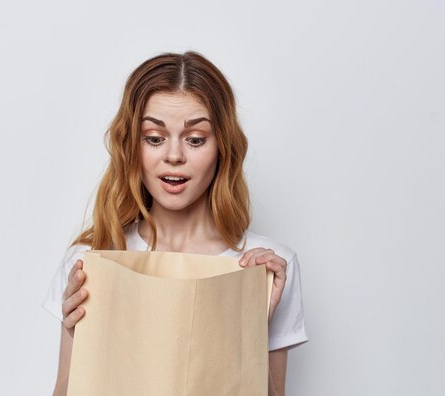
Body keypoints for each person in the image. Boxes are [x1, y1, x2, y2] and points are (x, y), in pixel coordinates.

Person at [43, 51, 308, 396]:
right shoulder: (92, 259)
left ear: (222, 147)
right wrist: (72, 331)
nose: (174, 156)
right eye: (154, 137)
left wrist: (252, 325)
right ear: (131, 147)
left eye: (195, 139)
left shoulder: (267, 266)